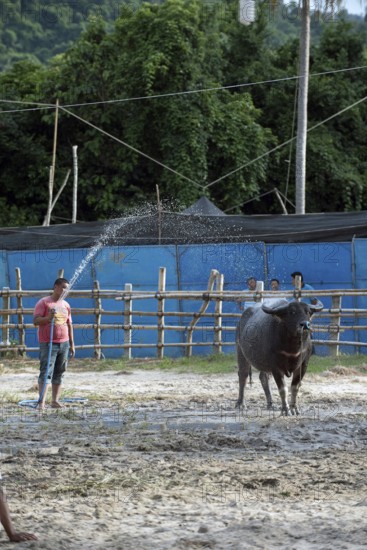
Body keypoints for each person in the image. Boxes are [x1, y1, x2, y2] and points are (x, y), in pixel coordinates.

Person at [33, 277, 75, 409]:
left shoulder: (66, 305)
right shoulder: (44, 303)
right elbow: (36, 321)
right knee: (46, 371)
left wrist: (72, 344)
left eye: (67, 288)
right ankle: (41, 402)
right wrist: (48, 318)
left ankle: (55, 401)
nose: (65, 290)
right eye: (63, 287)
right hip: (48, 343)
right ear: (55, 287)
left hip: (64, 343)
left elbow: (69, 325)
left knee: (60, 372)